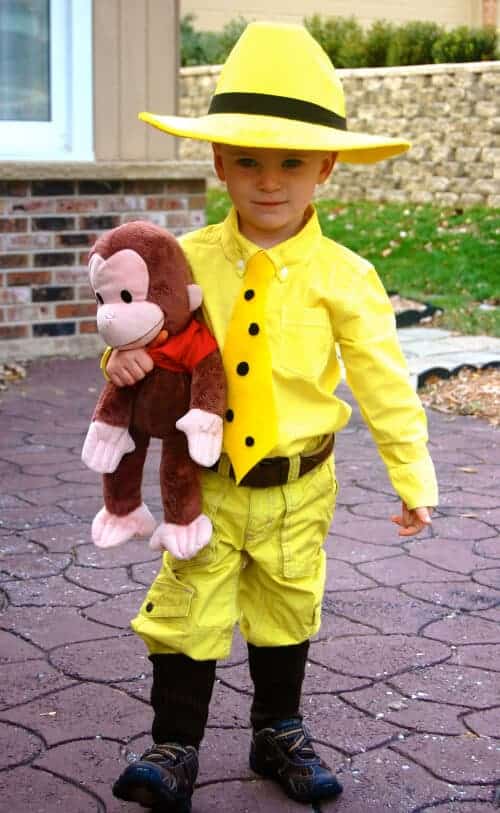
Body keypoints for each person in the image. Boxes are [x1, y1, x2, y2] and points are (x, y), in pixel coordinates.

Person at [109, 21, 438, 813]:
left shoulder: (347, 278)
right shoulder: (177, 262)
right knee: (189, 608)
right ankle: (174, 745)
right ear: (219, 161)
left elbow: (384, 382)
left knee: (287, 605)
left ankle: (278, 729)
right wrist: (119, 367)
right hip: (205, 485)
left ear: (326, 166)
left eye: (291, 161)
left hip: (297, 488)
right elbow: (139, 341)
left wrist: (412, 474)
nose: (268, 181)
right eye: (248, 160)